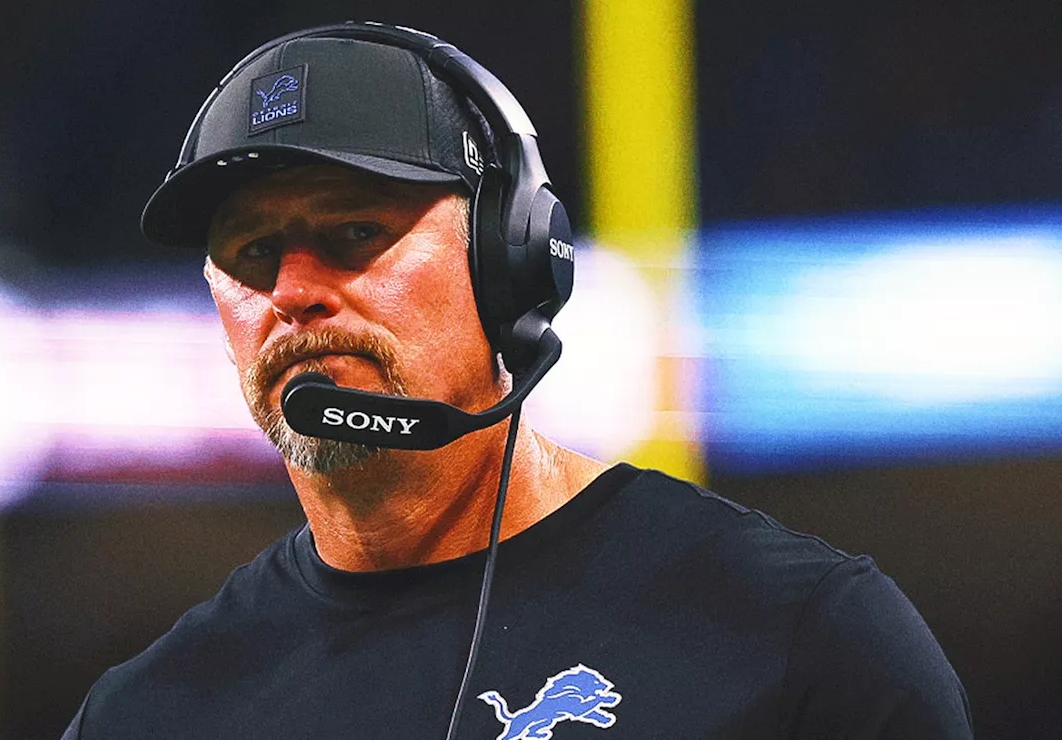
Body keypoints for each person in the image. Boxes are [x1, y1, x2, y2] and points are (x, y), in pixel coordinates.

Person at [62, 23, 973, 740]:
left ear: (510, 258)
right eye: (253, 252)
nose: (293, 291)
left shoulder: (798, 637)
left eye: (353, 234)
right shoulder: (144, 717)